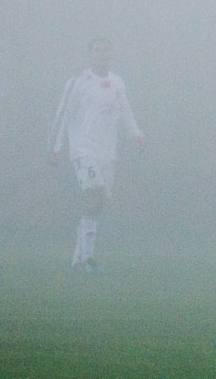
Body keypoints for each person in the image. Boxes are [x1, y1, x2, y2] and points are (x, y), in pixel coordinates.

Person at [48, 37, 145, 272]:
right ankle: (87, 257)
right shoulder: (79, 83)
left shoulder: (117, 82)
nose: (102, 54)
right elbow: (63, 114)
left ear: (111, 54)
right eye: (97, 50)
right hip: (83, 149)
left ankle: (78, 258)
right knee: (95, 194)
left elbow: (126, 111)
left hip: (107, 152)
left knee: (100, 201)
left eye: (106, 50)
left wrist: (136, 134)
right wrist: (55, 147)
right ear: (90, 54)